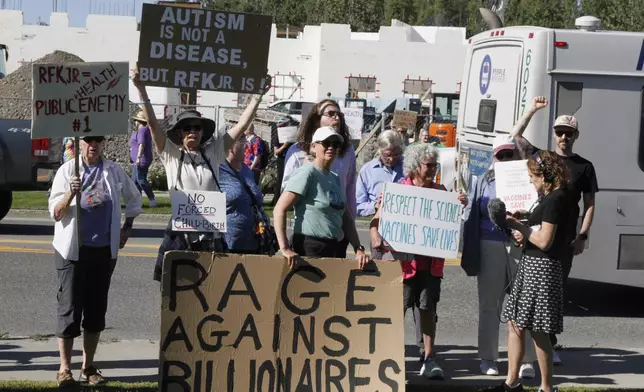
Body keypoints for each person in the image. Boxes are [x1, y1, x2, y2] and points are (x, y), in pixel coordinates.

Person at [131, 64, 271, 281]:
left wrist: (258, 96)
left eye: (197, 128)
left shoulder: (215, 152)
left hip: (210, 232)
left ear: (203, 132)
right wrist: (141, 88)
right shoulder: (170, 154)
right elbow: (152, 125)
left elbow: (242, 125)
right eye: (187, 128)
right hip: (180, 231)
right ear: (180, 133)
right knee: (176, 288)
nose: (192, 132)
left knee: (209, 288)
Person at [48, 135, 142, 386]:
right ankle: (64, 369)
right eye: (88, 140)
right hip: (73, 251)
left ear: (103, 144)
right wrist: (70, 192)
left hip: (104, 251)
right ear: (79, 143)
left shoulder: (113, 171)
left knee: (95, 311)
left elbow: (134, 198)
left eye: (98, 141)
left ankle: (87, 368)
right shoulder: (67, 170)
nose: (93, 145)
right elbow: (56, 214)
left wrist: (127, 226)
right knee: (69, 310)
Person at [511, 97, 598, 364]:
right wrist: (532, 111)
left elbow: (591, 203)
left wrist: (583, 235)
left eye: (569, 133)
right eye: (560, 132)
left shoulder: (584, 166)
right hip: (538, 237)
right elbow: (515, 136)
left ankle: (550, 343)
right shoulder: (544, 159)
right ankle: (539, 346)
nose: (564, 137)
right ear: (554, 134)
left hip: (565, 240)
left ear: (576, 136)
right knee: (533, 296)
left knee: (555, 293)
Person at [369, 143, 462, 381]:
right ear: (415, 166)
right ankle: (390, 357)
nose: (432, 170)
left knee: (428, 310)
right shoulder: (398, 191)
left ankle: (429, 358)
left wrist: (457, 203)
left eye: (434, 165)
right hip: (402, 265)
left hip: (430, 266)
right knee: (395, 311)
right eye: (428, 165)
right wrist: (375, 235)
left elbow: (449, 222)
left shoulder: (441, 192)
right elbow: (376, 221)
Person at [488, 150, 571, 392]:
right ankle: (511, 383)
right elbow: (539, 229)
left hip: (542, 268)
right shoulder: (549, 197)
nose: (530, 180)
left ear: (545, 175)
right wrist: (524, 221)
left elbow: (545, 240)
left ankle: (546, 387)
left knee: (538, 330)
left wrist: (517, 226)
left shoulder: (556, 198)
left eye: (532, 176)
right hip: (532, 265)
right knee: (515, 323)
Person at [461, 135, 538, 378]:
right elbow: (471, 213)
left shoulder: (527, 177)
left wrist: (526, 232)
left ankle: (526, 360)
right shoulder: (483, 180)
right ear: (493, 157)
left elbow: (537, 209)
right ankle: (488, 357)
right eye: (501, 155)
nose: (505, 159)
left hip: (519, 246)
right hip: (490, 244)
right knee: (489, 305)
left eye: (509, 154)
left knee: (524, 304)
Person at [274, 126, 368, 270]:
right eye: (326, 143)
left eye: (335, 144)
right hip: (309, 246)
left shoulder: (335, 178)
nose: (331, 147)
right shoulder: (307, 172)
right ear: (314, 147)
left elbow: (346, 216)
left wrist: (358, 248)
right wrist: (284, 247)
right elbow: (279, 209)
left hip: (334, 247)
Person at [281, 99, 357, 258]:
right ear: (317, 118)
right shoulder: (297, 152)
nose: (336, 118)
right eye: (330, 114)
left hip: (338, 230)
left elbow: (349, 190)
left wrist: (352, 231)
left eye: (339, 115)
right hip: (310, 235)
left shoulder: (346, 151)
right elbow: (284, 197)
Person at [219, 135, 266, 253]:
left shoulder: (246, 170)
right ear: (230, 147)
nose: (247, 147)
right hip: (228, 244)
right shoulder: (218, 170)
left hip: (253, 240)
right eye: (243, 144)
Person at [355, 129, 405, 218]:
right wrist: (374, 206)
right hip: (379, 226)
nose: (392, 159)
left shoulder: (409, 167)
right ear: (380, 150)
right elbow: (358, 205)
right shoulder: (367, 171)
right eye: (387, 155)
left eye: (396, 154)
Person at [130, 109, 156, 206]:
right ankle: (138, 201)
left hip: (141, 160)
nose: (135, 122)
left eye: (136, 120)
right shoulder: (138, 131)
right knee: (134, 182)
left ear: (139, 121)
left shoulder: (143, 130)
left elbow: (142, 144)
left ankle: (152, 199)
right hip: (135, 160)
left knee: (141, 180)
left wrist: (138, 157)